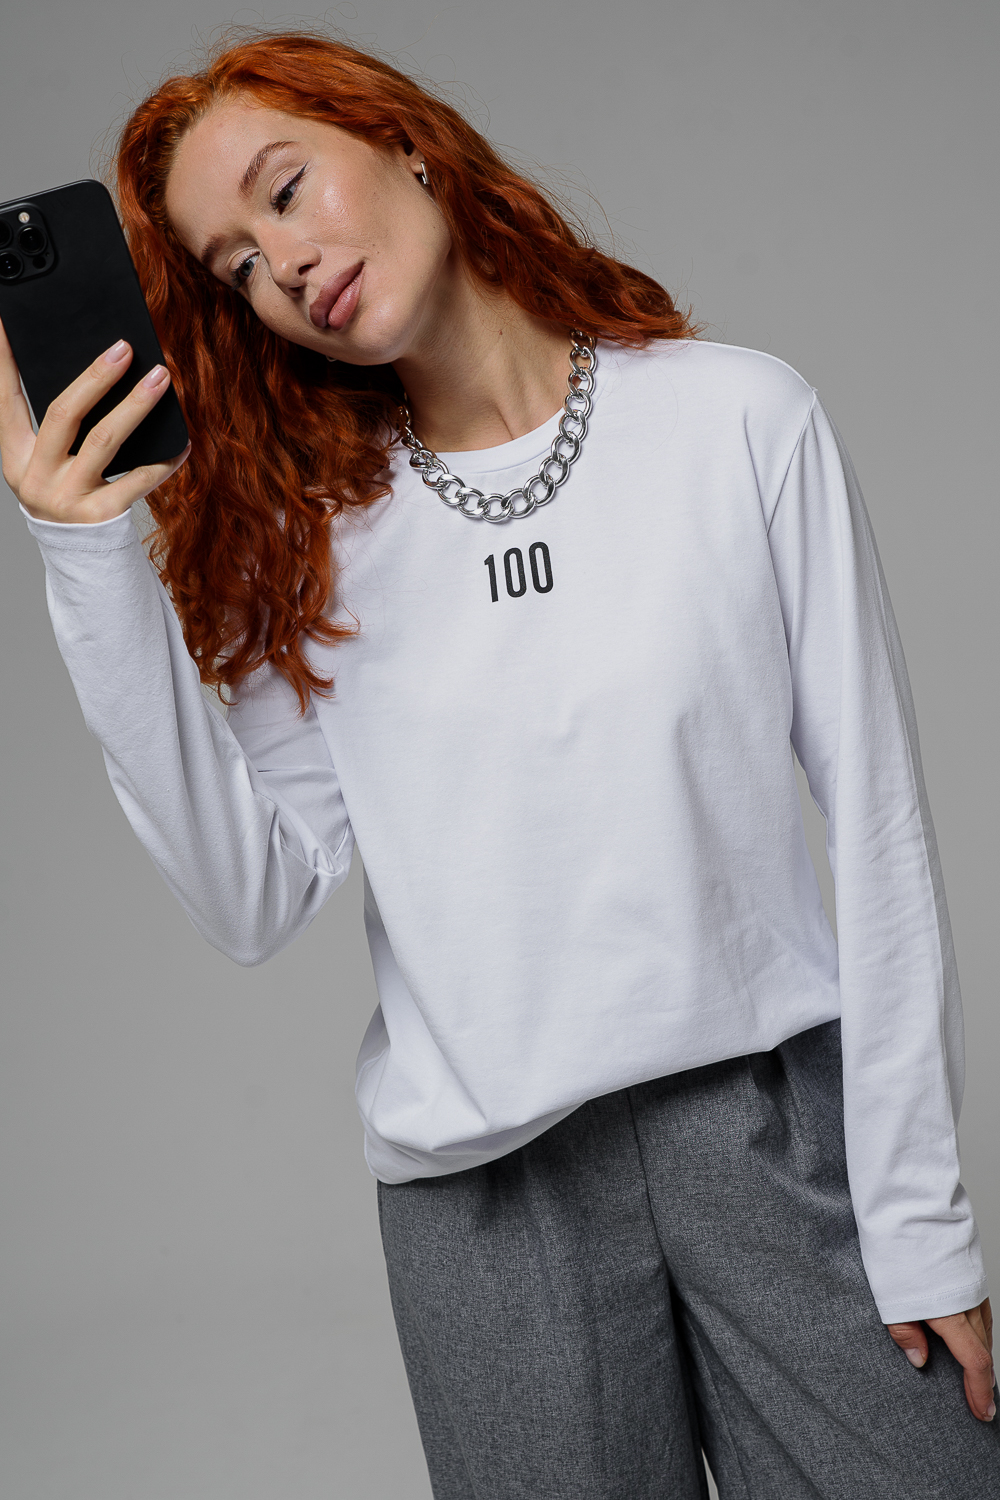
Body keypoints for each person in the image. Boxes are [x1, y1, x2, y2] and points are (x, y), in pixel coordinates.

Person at [0, 27, 996, 1499]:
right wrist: (84, 560)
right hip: (488, 1213)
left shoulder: (737, 420)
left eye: (287, 190)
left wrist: (920, 1215)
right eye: (236, 266)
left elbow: (883, 827)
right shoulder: (307, 546)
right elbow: (250, 899)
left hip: (774, 1136)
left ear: (402, 138)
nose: (286, 266)